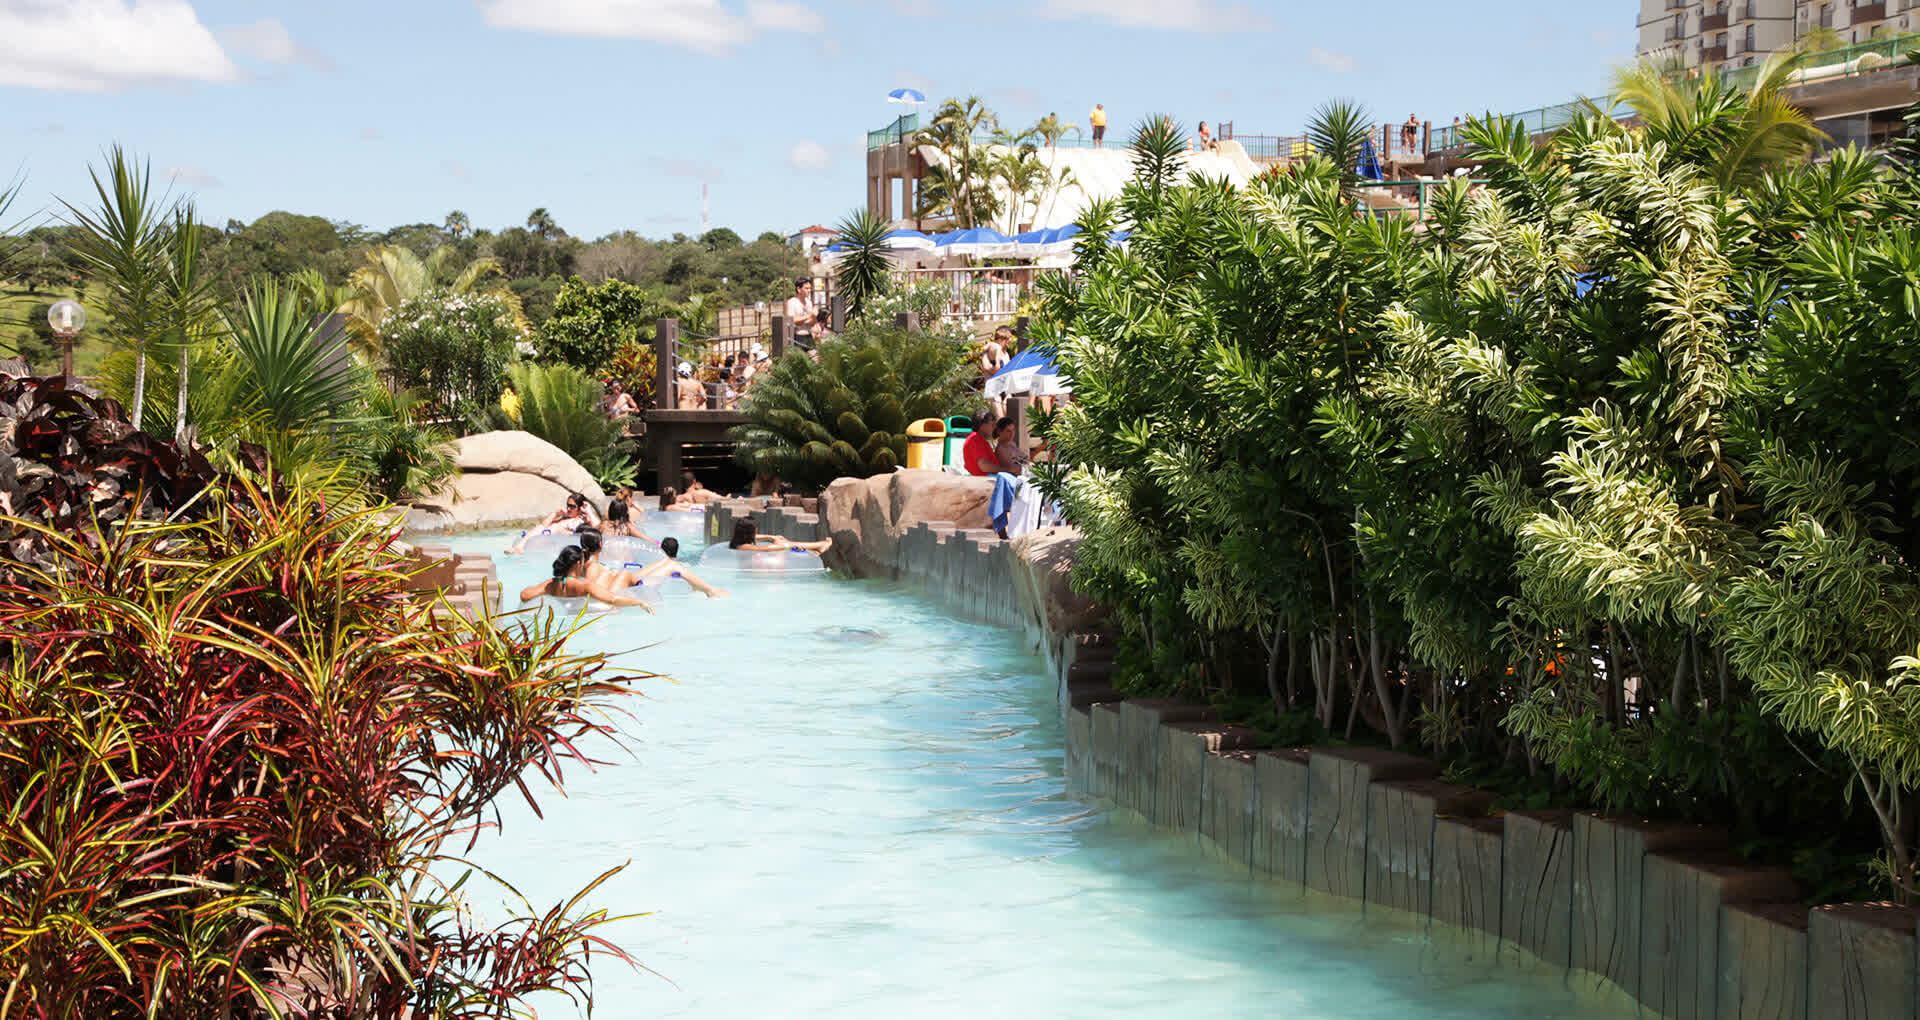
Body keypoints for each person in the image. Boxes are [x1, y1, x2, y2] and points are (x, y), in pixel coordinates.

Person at [518, 545, 655, 610]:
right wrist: (639, 602)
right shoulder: (583, 585)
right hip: (600, 618)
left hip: (570, 617)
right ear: (578, 563)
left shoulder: (551, 584)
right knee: (624, 574)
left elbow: (525, 595)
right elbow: (613, 599)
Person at [635, 537, 730, 598]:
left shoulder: (654, 564)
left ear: (661, 550)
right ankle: (709, 589)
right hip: (645, 591)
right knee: (673, 564)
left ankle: (708, 589)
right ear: (677, 549)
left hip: (639, 587)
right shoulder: (679, 565)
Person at [505, 493, 595, 554]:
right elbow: (544, 525)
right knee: (541, 527)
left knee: (552, 526)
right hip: (550, 538)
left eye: (572, 507)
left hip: (563, 540)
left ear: (580, 508)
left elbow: (597, 526)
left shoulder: (583, 519)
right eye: (568, 505)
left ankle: (520, 546)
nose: (568, 509)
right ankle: (519, 546)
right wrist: (555, 513)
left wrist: (588, 511)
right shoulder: (565, 518)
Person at [728, 520, 832, 554]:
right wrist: (786, 547)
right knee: (785, 544)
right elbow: (764, 549)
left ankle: (818, 546)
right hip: (756, 569)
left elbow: (756, 537)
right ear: (748, 532)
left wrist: (772, 537)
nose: (756, 530)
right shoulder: (744, 547)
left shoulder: (738, 541)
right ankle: (819, 546)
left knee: (780, 541)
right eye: (755, 528)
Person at [785, 278, 820, 348]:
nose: (809, 291)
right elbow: (792, 321)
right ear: (799, 289)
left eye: (810, 288)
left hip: (808, 335)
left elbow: (812, 322)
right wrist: (810, 315)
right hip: (798, 336)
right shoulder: (792, 302)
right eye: (806, 288)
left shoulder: (809, 302)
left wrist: (814, 317)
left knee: (814, 356)